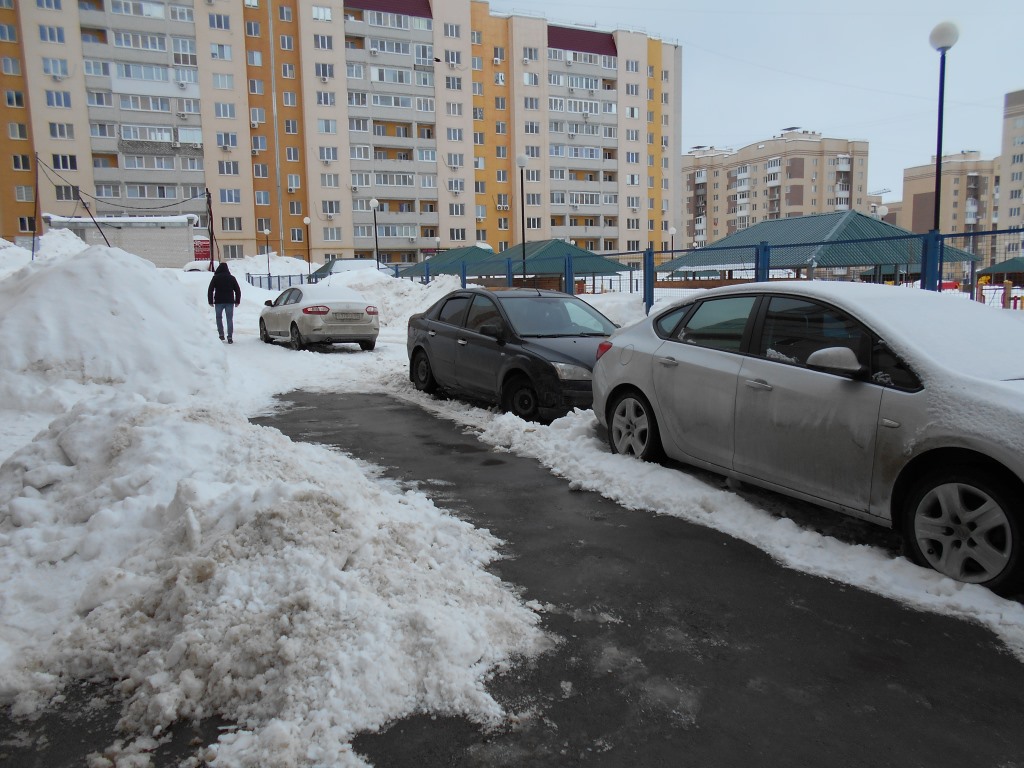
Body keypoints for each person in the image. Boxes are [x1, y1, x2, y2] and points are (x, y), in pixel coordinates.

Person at [207, 262, 241, 343]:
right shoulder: (232, 278)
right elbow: (237, 290)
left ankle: (221, 335)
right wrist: (237, 301)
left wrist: (210, 301)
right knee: (229, 319)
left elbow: (210, 290)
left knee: (219, 318)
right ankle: (230, 337)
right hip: (229, 301)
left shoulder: (215, 278)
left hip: (218, 301)